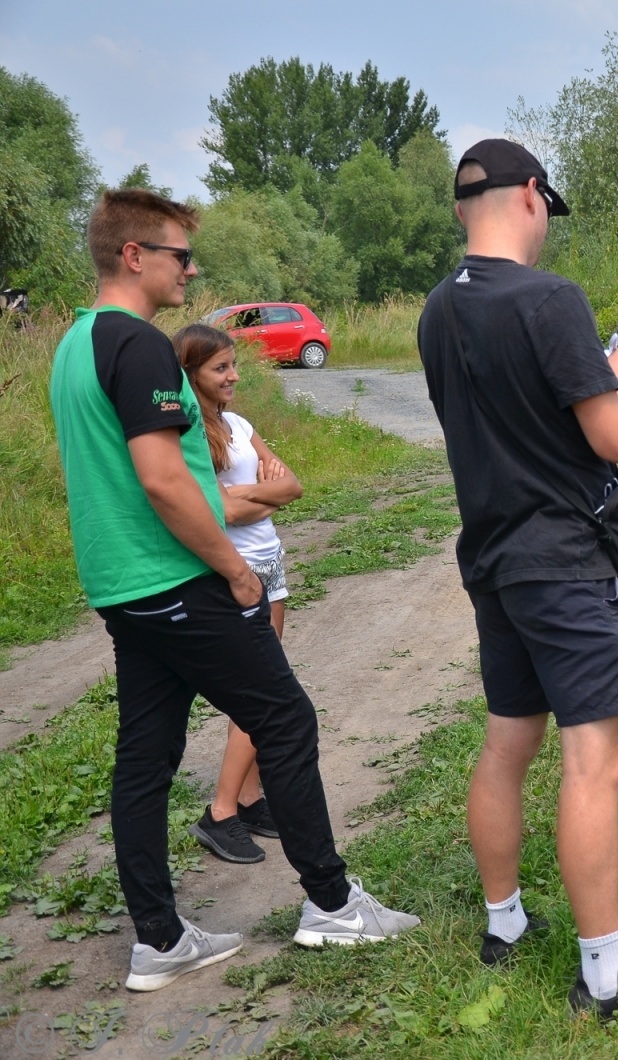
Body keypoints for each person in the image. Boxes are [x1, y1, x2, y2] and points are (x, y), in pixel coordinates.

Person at [49, 189, 418, 993]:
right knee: (284, 717)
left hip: (120, 588)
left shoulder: (74, 344)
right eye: (181, 254)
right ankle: (332, 906)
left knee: (144, 758)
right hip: (175, 579)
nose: (191, 269)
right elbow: (162, 481)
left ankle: (158, 939)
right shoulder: (140, 347)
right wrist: (236, 568)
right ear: (134, 255)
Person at [416, 139, 618, 1016]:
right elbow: (610, 437)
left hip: (491, 556)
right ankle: (604, 973)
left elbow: (504, 421)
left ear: (461, 206)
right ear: (531, 196)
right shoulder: (550, 299)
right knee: (593, 762)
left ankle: (505, 922)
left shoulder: (436, 311)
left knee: (506, 741)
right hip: (563, 560)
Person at [175, 324, 300, 864]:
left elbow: (291, 485)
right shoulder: (190, 433)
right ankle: (220, 813)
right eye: (219, 368)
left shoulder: (240, 424)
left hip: (271, 565)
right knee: (262, 692)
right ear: (191, 374)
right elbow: (217, 512)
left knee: (262, 686)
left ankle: (249, 798)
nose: (233, 375)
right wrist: (260, 494)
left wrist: (253, 496)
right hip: (238, 571)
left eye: (233, 365)